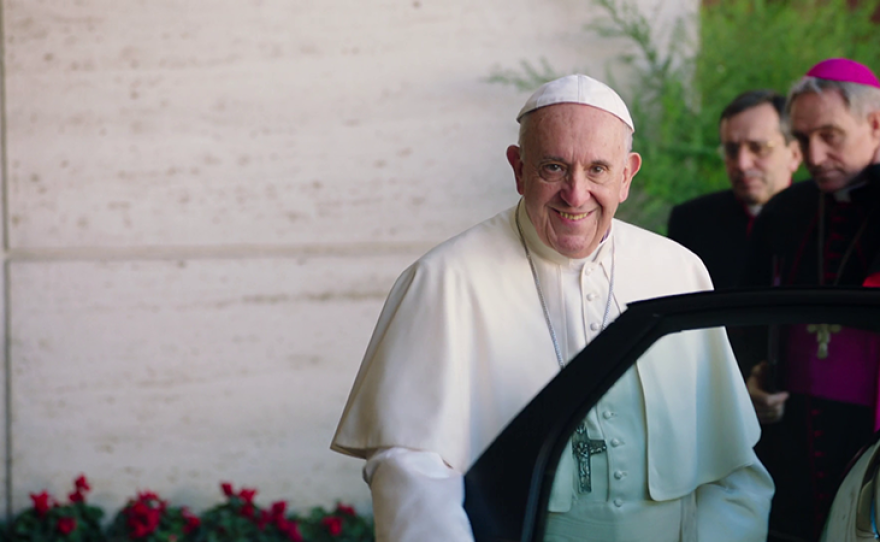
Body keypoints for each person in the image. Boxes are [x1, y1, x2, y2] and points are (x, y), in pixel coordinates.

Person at [332, 74, 772, 541]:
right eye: (554, 168)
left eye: (598, 169)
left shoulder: (677, 273)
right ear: (518, 168)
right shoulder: (446, 280)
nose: (576, 194)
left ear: (627, 175)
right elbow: (410, 471)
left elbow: (732, 471)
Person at [741, 58, 880, 541]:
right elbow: (750, 320)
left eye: (830, 135)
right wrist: (751, 378)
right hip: (790, 440)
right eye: (801, 140)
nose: (814, 156)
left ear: (875, 124)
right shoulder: (785, 212)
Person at [668, 90, 802, 290]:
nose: (742, 163)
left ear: (794, 154)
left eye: (758, 148)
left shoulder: (818, 220)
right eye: (731, 150)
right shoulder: (691, 222)